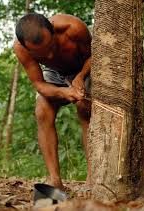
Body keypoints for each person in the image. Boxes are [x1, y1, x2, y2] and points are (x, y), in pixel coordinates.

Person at [13, 12, 91, 190]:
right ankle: (55, 182)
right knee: (42, 110)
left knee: (83, 106)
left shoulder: (74, 29)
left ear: (54, 31)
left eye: (51, 47)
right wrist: (64, 92)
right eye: (40, 54)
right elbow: (39, 84)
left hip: (84, 68)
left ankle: (92, 177)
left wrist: (80, 77)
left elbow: (96, 56)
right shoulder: (20, 49)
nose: (48, 57)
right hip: (55, 75)